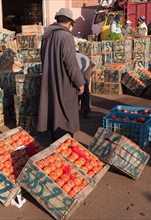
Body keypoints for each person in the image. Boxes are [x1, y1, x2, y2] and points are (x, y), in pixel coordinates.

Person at [37, 8, 86, 141]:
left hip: (49, 78)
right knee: (65, 111)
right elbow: (71, 63)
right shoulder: (66, 36)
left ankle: (55, 139)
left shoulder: (47, 35)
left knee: (53, 108)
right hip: (63, 80)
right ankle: (64, 142)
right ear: (70, 22)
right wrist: (80, 82)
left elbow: (43, 57)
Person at [76, 53, 93, 118]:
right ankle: (74, 107)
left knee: (84, 86)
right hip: (80, 64)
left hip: (87, 65)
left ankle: (86, 109)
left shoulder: (76, 65)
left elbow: (80, 81)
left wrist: (80, 87)